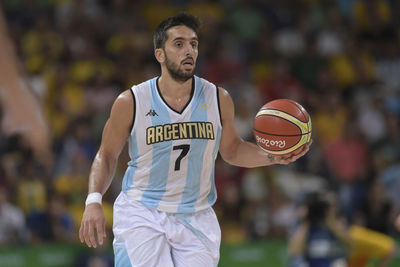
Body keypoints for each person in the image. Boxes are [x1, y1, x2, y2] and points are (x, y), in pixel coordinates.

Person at [79, 13, 311, 267]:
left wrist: (273, 156)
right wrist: (93, 201)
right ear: (160, 54)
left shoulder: (218, 98)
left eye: (194, 44)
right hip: (143, 212)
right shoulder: (132, 101)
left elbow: (232, 151)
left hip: (197, 215)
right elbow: (107, 154)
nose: (188, 50)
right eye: (179, 44)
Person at [288, 191, 351, 267]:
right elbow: (294, 251)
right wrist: (306, 221)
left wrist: (331, 222)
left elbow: (350, 246)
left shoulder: (339, 224)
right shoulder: (304, 226)